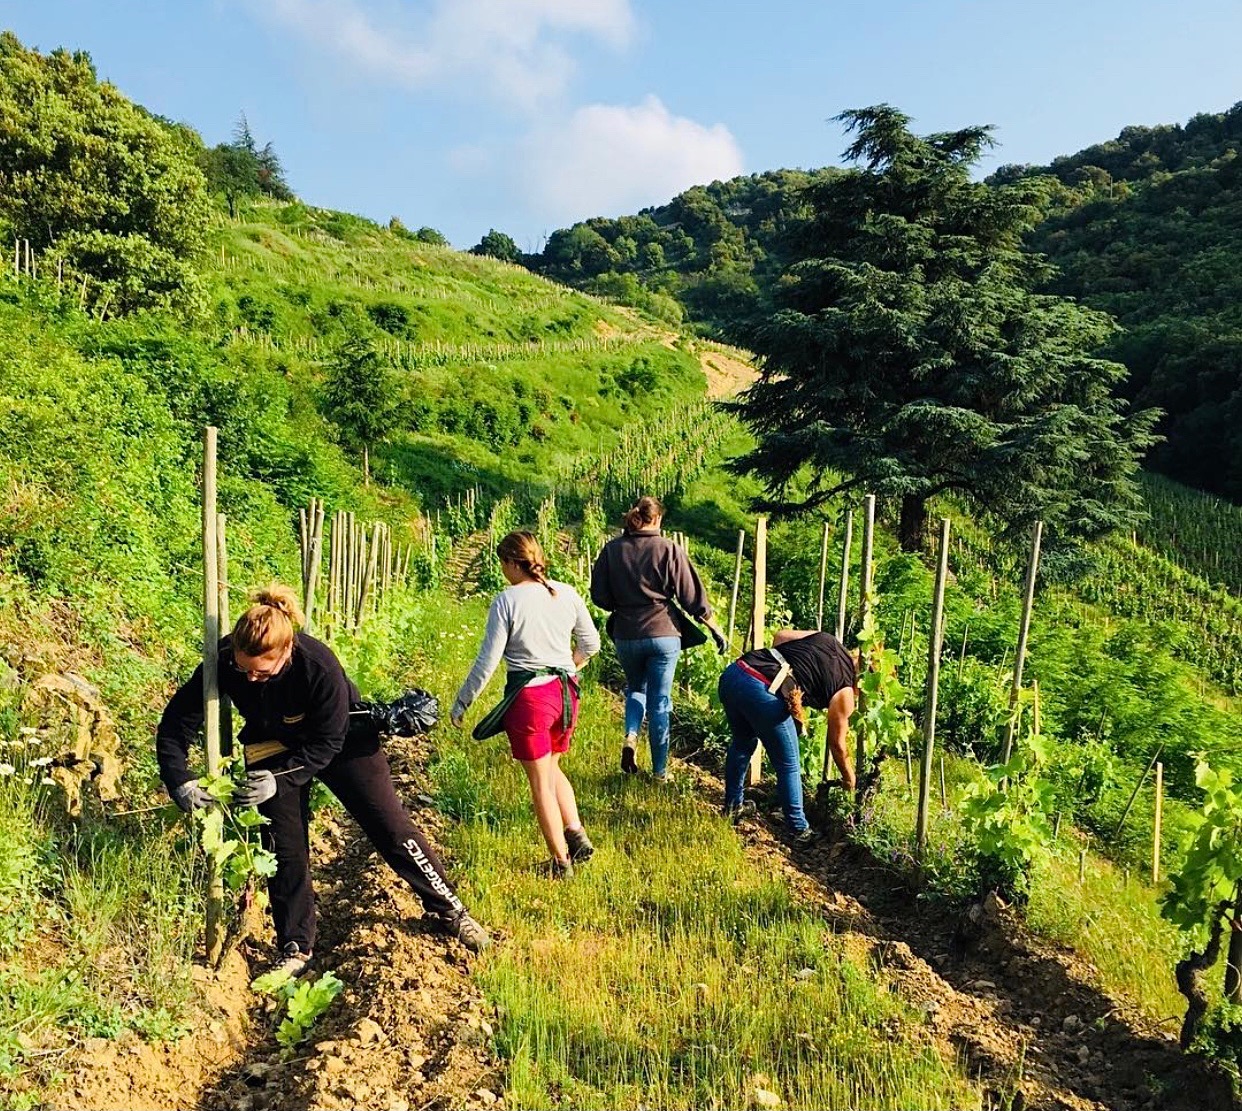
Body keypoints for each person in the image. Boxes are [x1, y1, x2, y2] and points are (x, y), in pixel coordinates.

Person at [156, 584, 489, 977]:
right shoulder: (225, 661)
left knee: (389, 826)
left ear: (285, 652)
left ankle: (450, 909)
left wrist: (280, 778)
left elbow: (327, 743)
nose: (250, 678)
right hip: (272, 747)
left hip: (341, 741)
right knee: (283, 847)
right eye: (244, 669)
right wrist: (179, 781)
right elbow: (177, 724)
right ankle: (296, 946)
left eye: (261, 672)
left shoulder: (318, 666)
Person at [451, 531, 600, 878]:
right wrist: (567, 666)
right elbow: (591, 644)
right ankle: (576, 833)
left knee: (540, 783)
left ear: (508, 563)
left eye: (502, 563)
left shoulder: (507, 600)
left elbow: (488, 661)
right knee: (551, 767)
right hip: (566, 695)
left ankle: (561, 862)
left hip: (530, 700)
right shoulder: (566, 592)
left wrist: (462, 702)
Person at [589, 496, 726, 781]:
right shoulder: (669, 549)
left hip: (627, 634)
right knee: (660, 701)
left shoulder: (612, 550)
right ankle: (660, 772)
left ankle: (630, 735)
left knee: (636, 688)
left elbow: (599, 596)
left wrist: (625, 603)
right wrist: (715, 628)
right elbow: (692, 598)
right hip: (664, 634)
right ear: (658, 519)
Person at [718, 629, 859, 842]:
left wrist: (792, 668)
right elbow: (837, 745)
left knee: (742, 743)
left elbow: (781, 636)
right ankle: (799, 830)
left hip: (736, 673)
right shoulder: (845, 690)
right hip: (763, 692)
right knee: (789, 764)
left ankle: (733, 806)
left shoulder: (829, 640)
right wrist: (850, 778)